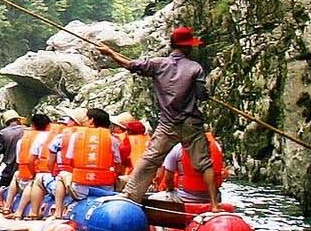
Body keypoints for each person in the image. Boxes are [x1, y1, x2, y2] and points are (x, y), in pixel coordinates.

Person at [95, 25, 222, 209]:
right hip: (191, 124)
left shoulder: (157, 64)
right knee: (204, 164)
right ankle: (214, 205)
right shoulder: (195, 68)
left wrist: (110, 53)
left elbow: (131, 65)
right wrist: (202, 92)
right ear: (187, 47)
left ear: (172, 45)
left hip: (167, 124)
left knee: (149, 161)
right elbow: (202, 95)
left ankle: (130, 198)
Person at [47, 107, 124, 212]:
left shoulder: (76, 137)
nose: (85, 121)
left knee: (61, 176)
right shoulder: (113, 140)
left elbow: (71, 160)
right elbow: (118, 164)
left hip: (81, 190)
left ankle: (58, 212)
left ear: (92, 121)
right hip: (105, 190)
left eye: (87, 118)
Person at [162, 129, 227, 204]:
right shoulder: (217, 146)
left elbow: (168, 178)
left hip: (185, 197)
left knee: (152, 198)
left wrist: (170, 190)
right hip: (213, 198)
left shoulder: (177, 148)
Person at [10, 113, 56, 219]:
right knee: (34, 182)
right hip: (49, 177)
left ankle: (12, 207)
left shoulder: (22, 140)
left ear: (33, 125)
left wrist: (32, 173)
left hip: (26, 176)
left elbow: (24, 160)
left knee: (25, 178)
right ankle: (27, 212)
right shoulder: (55, 137)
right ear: (49, 125)